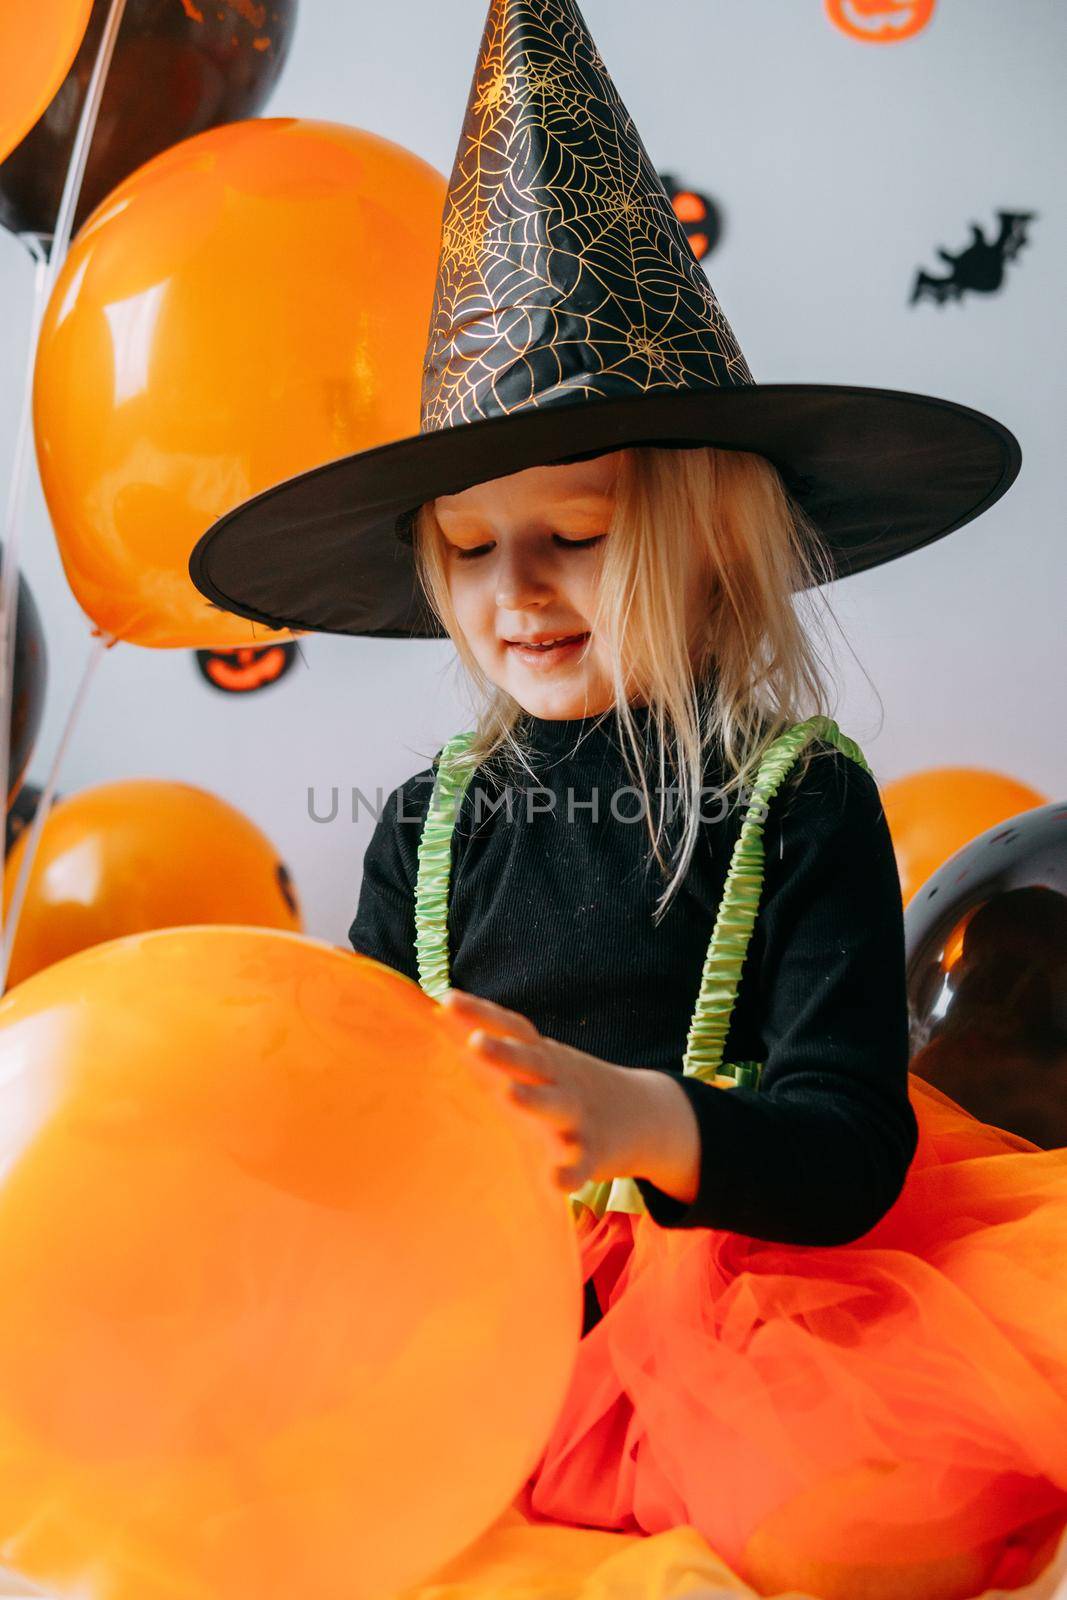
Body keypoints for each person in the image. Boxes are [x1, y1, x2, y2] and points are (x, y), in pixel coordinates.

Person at [188, 3, 1067, 1595]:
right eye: (467, 548)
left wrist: (634, 1116)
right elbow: (372, 1113)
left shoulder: (796, 801)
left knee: (830, 1518)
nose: (514, 591)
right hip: (477, 1311)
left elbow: (850, 1145)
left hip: (745, 1314)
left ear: (705, 532)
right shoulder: (425, 822)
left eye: (573, 533)